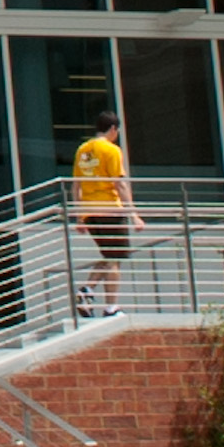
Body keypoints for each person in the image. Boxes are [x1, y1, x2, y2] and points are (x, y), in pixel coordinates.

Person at [73, 113, 133, 313]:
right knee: (114, 259)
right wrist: (134, 214)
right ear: (113, 129)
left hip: (91, 213)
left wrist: (80, 216)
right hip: (110, 211)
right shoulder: (112, 150)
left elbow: (76, 186)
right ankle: (111, 307)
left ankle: (87, 290)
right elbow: (120, 184)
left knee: (108, 255)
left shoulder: (83, 150)